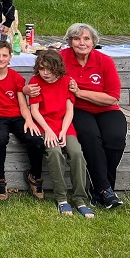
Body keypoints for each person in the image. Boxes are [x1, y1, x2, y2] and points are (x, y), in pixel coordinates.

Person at [59, 23, 126, 209]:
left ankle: (101, 189)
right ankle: (106, 190)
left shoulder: (104, 61)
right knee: (90, 137)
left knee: (115, 138)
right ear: (70, 41)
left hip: (106, 109)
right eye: (77, 38)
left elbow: (112, 98)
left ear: (94, 42)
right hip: (77, 109)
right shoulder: (61, 58)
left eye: (86, 39)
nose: (82, 42)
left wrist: (80, 92)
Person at [29, 50, 95, 218]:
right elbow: (35, 111)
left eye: (50, 69)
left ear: (58, 68)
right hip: (44, 125)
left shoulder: (67, 82)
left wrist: (63, 131)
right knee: (54, 152)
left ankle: (80, 199)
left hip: (64, 125)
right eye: (42, 69)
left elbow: (69, 111)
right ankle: (62, 198)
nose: (45, 73)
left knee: (76, 153)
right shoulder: (35, 82)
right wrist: (49, 131)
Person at [0, 40, 45, 201]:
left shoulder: (16, 77)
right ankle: (0, 179)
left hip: (16, 116)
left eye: (4, 56)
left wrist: (28, 120)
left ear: (10, 58)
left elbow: (23, 105)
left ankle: (34, 176)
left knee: (36, 140)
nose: (0, 59)